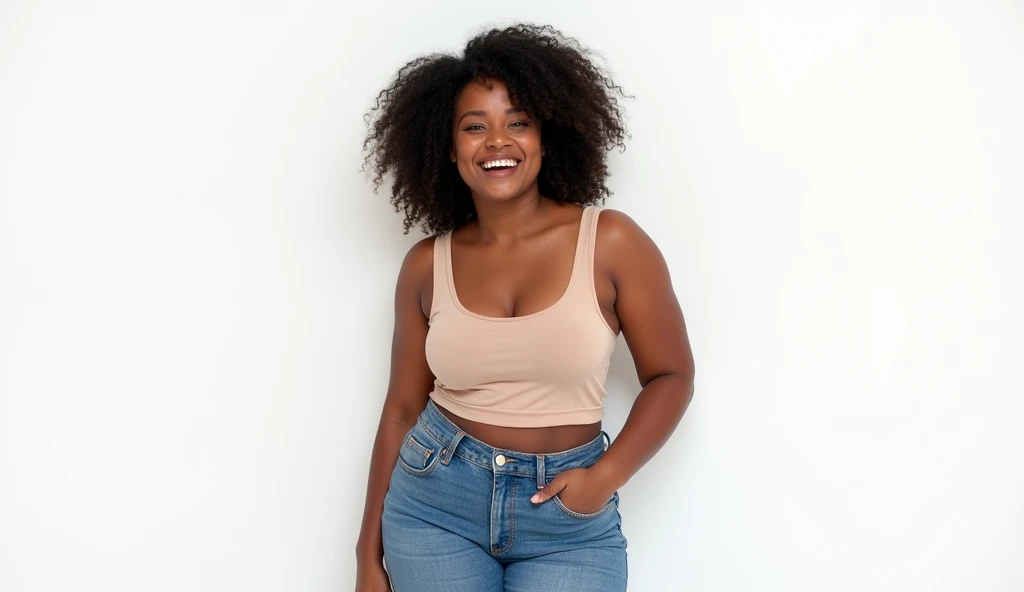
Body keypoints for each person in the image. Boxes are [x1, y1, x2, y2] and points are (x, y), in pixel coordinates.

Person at [355, 23, 695, 592]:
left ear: (545, 136)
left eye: (517, 122)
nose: (496, 142)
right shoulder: (424, 265)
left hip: (568, 516)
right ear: (450, 148)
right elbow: (401, 409)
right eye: (474, 127)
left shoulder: (610, 242)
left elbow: (672, 374)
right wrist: (368, 554)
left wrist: (605, 476)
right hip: (434, 504)